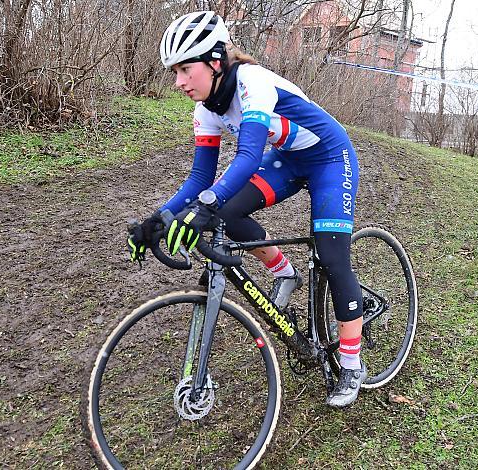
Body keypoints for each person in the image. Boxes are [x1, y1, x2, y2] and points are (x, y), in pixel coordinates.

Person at [127, 11, 365, 408]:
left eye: (186, 69)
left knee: (332, 255)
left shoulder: (252, 83)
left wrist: (205, 204)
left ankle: (352, 363)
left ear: (215, 61)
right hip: (290, 158)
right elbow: (199, 179)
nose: (179, 82)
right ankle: (285, 273)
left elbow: (250, 154)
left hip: (329, 157)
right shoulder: (206, 109)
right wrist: (158, 218)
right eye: (175, 71)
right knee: (223, 215)